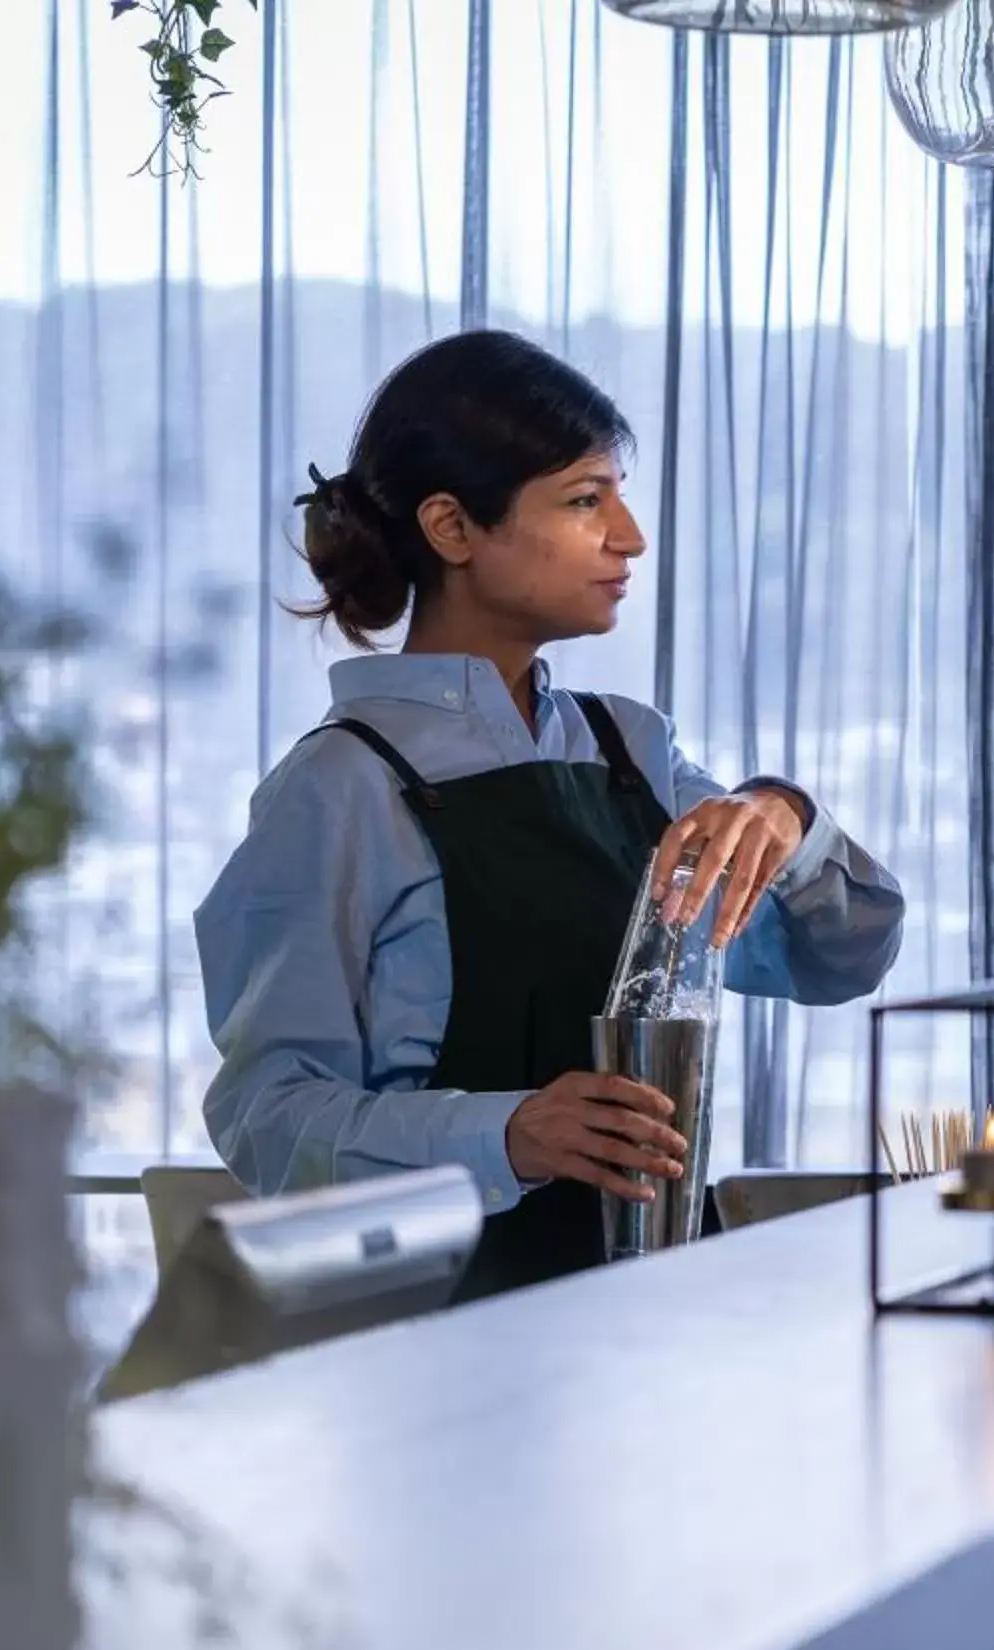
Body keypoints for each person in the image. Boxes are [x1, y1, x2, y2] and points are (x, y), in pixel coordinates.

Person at [196, 329, 906, 1299]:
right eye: (585, 500)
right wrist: (508, 1135)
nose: (629, 536)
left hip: (652, 1309)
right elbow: (265, 1119)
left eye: (617, 494)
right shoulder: (337, 788)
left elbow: (840, 961)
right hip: (440, 1336)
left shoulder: (632, 751)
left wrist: (788, 815)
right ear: (452, 528)